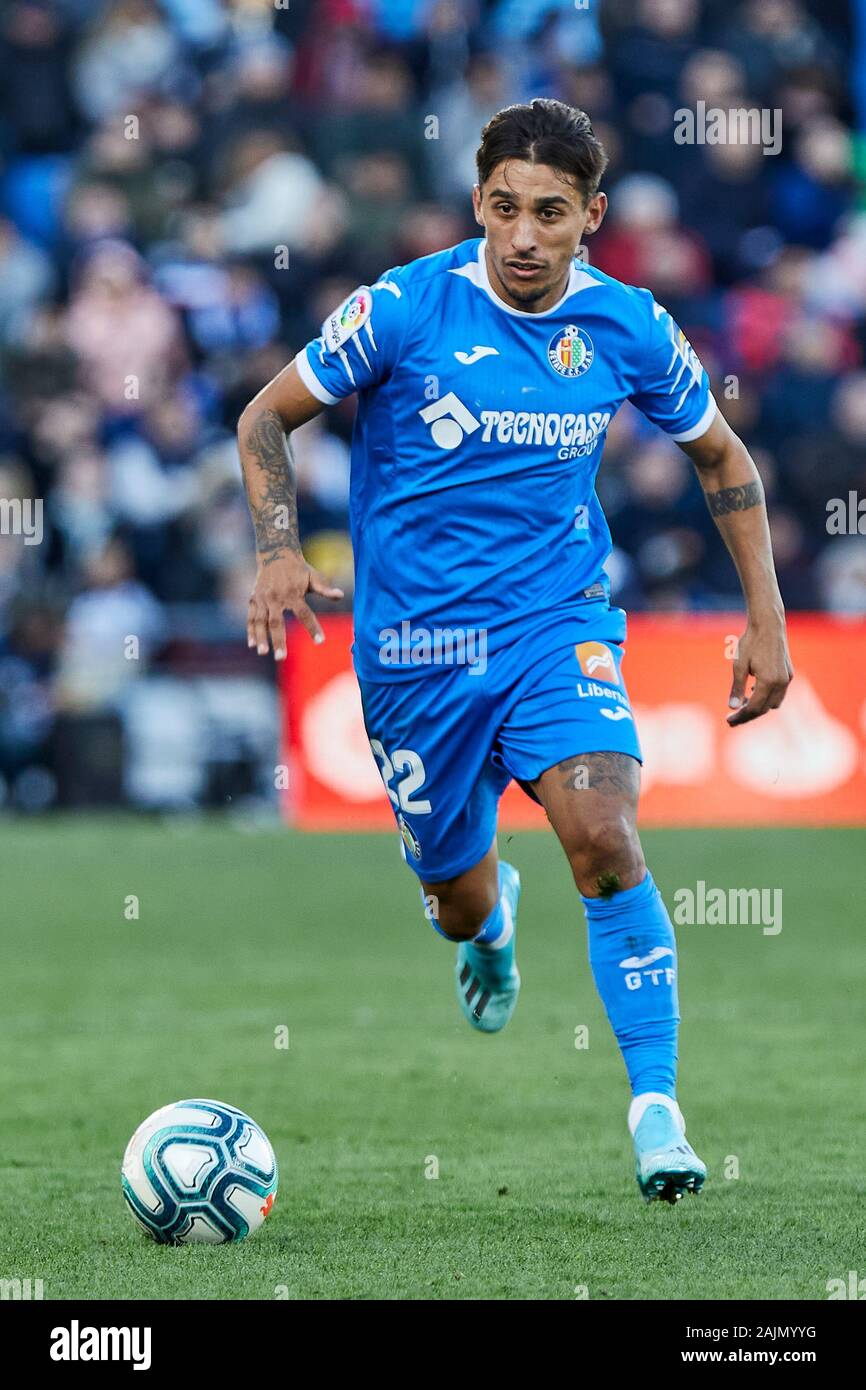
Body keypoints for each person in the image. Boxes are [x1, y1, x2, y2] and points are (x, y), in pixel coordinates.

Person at [237, 100, 793, 1203]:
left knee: (601, 833)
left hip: (554, 629)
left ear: (589, 216)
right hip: (412, 655)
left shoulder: (627, 326)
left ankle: (654, 1109)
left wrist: (764, 619)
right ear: (476, 203)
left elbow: (721, 458)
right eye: (503, 209)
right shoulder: (400, 307)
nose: (523, 236)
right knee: (451, 896)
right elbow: (263, 419)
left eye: (549, 213)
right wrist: (276, 551)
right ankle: (488, 925)